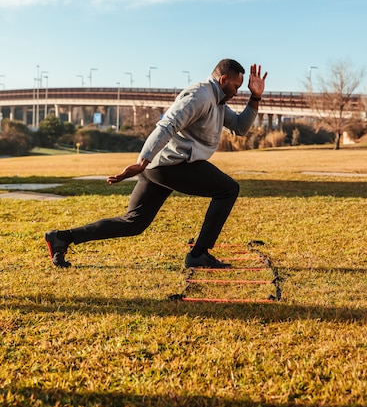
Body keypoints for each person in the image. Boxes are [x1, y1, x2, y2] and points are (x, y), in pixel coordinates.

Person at [45, 59, 267, 269]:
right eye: (236, 86)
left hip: (161, 167)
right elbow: (167, 125)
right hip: (172, 165)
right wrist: (142, 160)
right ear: (223, 79)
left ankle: (62, 237)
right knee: (228, 189)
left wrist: (255, 98)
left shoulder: (217, 101)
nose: (238, 91)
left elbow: (239, 127)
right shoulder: (200, 95)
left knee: (133, 223)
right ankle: (199, 254)